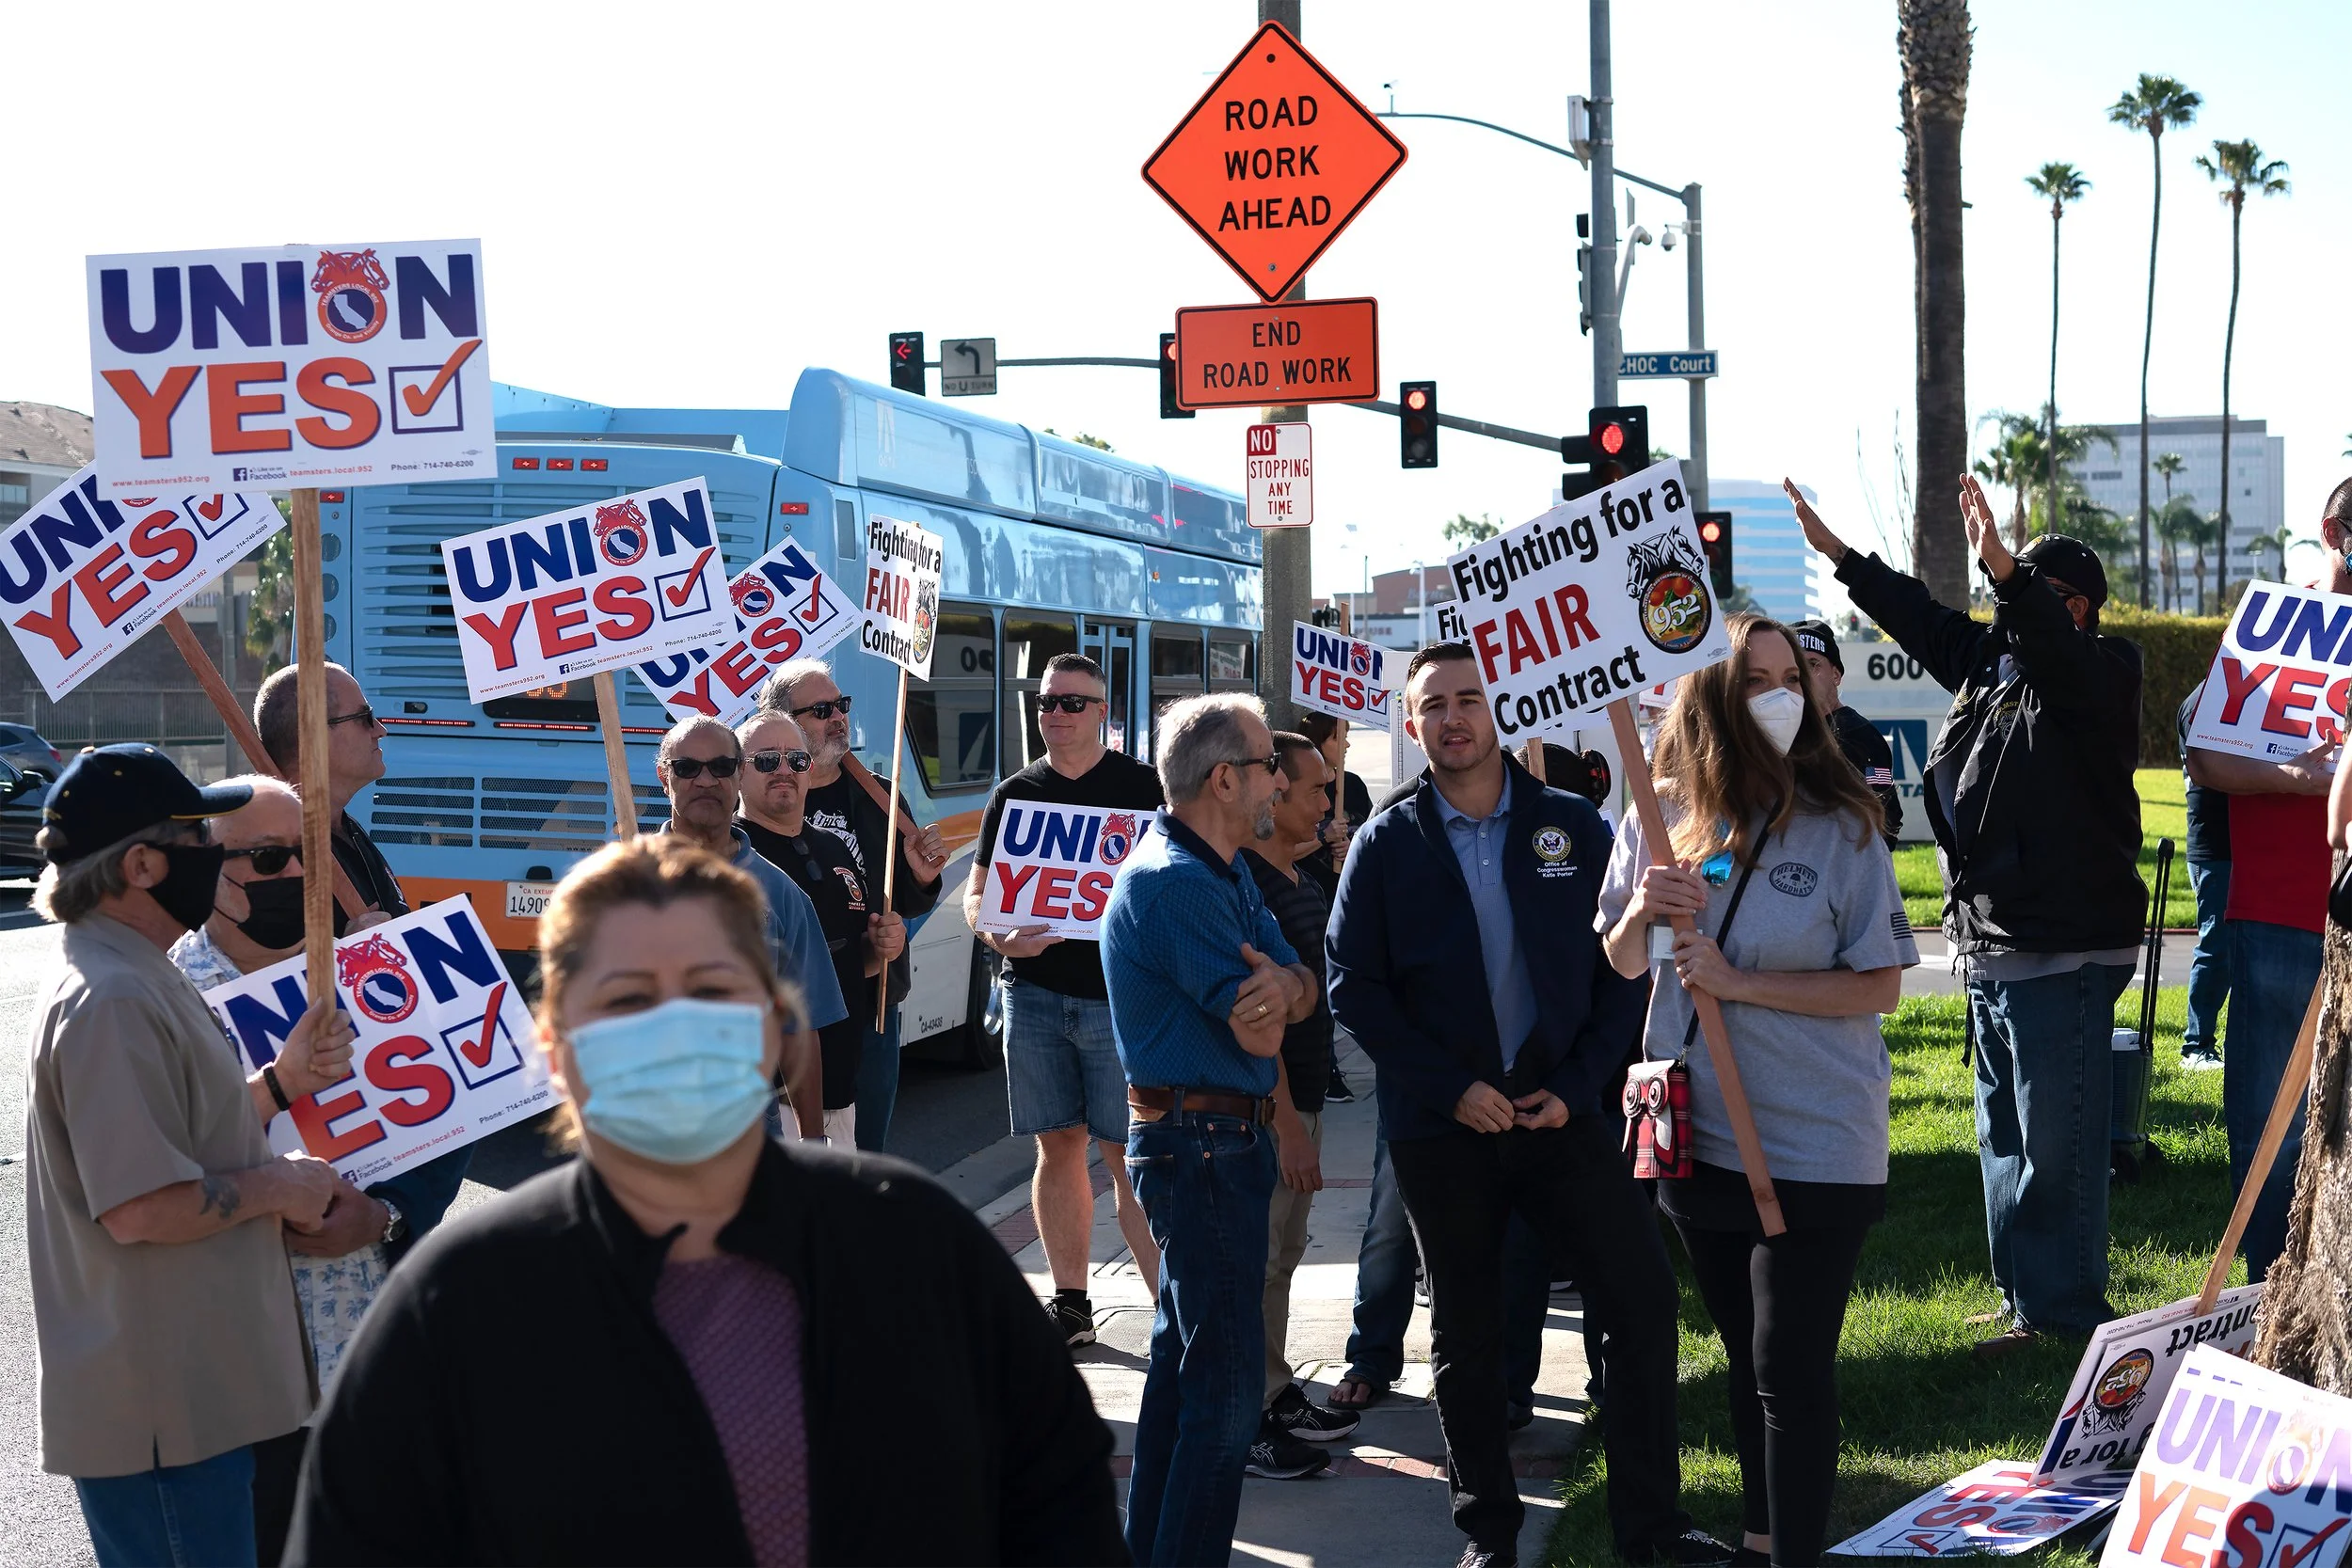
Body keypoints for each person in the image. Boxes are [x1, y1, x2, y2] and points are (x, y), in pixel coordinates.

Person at [286, 837, 1125, 1564]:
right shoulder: (454, 1307)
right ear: (558, 1047)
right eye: (627, 1000)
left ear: (773, 1022)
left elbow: (1061, 1511)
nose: (673, 1026)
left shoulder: (919, 1247)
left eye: (710, 989)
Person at [1328, 644, 1723, 1568]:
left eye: (1469, 699)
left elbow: (1618, 969)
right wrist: (1448, 1087)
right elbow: (1354, 986)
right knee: (1466, 1327)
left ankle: (1650, 1527)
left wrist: (1582, 1082)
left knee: (1639, 1297)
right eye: (1435, 704)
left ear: (1498, 712)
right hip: (1443, 1129)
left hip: (1564, 1113)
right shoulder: (1388, 842)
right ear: (1411, 720)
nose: (1454, 717)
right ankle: (1489, 1535)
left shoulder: (1569, 823)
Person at [1790, 474, 2145, 1351]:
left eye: (2037, 592)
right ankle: (2023, 1297)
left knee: (2056, 1143)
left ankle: (2063, 1312)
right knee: (2003, 1129)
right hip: (1991, 942)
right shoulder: (1997, 668)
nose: (2011, 605)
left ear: (2081, 609)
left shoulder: (2103, 671)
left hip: (2062, 946)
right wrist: (1839, 556)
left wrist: (2008, 576)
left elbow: (2060, 660)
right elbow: (1921, 617)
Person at [1598, 614, 1917, 1568]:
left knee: (1789, 1368)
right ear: (1707, 696)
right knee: (1747, 1359)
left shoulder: (1842, 825)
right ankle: (1760, 1539)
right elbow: (1618, 964)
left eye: (1790, 677)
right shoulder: (1657, 817)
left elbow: (1881, 983)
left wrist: (1741, 982)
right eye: (1755, 680)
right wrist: (1643, 910)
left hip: (1817, 1139)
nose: (1780, 696)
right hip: (1698, 1136)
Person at [24, 745, 348, 1568]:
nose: (216, 859)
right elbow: (139, 1205)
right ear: (141, 864)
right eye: (199, 838)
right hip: (165, 1416)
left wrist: (277, 1085)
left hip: (191, 1404)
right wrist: (280, 1186)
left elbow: (176, 1134)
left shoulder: (133, 974)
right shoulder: (112, 998)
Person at [165, 777, 426, 1564]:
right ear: (206, 869)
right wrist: (277, 1091)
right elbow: (152, 1166)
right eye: (271, 857)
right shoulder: (162, 997)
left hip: (366, 1364)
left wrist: (386, 1215)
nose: (297, 878)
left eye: (311, 855)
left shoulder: (373, 970)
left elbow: (452, 1141)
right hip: (233, 1379)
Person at [1103, 692, 1316, 1567]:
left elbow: (1298, 984)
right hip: (1201, 1148)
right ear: (1226, 779)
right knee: (1227, 1403)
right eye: (1269, 764)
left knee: (1184, 1378)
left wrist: (1289, 991)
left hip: (1217, 1144)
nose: (1279, 778)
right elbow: (1265, 1028)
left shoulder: (1220, 866)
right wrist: (1283, 999)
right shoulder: (1176, 881)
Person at [964, 651, 1165, 1342]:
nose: (1054, 714)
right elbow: (977, 895)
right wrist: (996, 937)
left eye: (1071, 703)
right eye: (1047, 702)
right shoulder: (1014, 791)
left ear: (1102, 713)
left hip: (1120, 1000)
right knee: (1057, 1147)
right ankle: (1072, 1303)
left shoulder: (1144, 788)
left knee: (1126, 1153)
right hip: (1037, 996)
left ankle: (1172, 1311)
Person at [2184, 480, 2352, 1278]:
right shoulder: (2265, 633)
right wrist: (2297, 778)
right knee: (2270, 1125)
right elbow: (2208, 758)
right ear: (2332, 529)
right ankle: (2270, 1296)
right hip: (2281, 914)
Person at [755, 659, 948, 1153]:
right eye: (822, 710)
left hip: (870, 1003)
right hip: (786, 1013)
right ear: (783, 722)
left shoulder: (879, 795)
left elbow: (901, 899)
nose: (839, 717)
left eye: (841, 705)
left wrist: (923, 882)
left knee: (864, 1157)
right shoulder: (759, 804)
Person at [1242, 731, 1359, 1477]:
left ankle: (1276, 1389)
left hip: (1307, 1096)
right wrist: (1287, 1123)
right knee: (1256, 1261)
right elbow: (1260, 1022)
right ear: (1272, 791)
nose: (1328, 803)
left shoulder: (1305, 875)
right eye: (1316, 789)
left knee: (1283, 1256)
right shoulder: (1248, 884)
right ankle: (1248, 1415)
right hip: (1271, 1109)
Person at [653, 714, 844, 1139]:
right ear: (664, 776)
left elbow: (800, 1031)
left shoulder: (781, 895)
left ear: (739, 775)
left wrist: (812, 1145)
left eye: (721, 767)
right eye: (687, 768)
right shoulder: (619, 885)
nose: (706, 780)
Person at [735, 710, 906, 1145]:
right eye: (767, 761)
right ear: (737, 773)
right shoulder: (731, 857)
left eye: (797, 759)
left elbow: (845, 964)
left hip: (839, 1094)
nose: (785, 771)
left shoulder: (833, 849)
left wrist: (882, 947)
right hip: (766, 1104)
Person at [1788, 619, 1903, 847]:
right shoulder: (1785, 733)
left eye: (1812, 665)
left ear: (1836, 675)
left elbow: (1886, 816)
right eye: (1794, 671)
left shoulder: (1860, 734)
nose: (1804, 677)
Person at [2177, 680, 2232, 1071]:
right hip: (2215, 846)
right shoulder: (2204, 702)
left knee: (2229, 948)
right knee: (2217, 946)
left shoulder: (2216, 696)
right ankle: (2196, 1045)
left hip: (2230, 846)